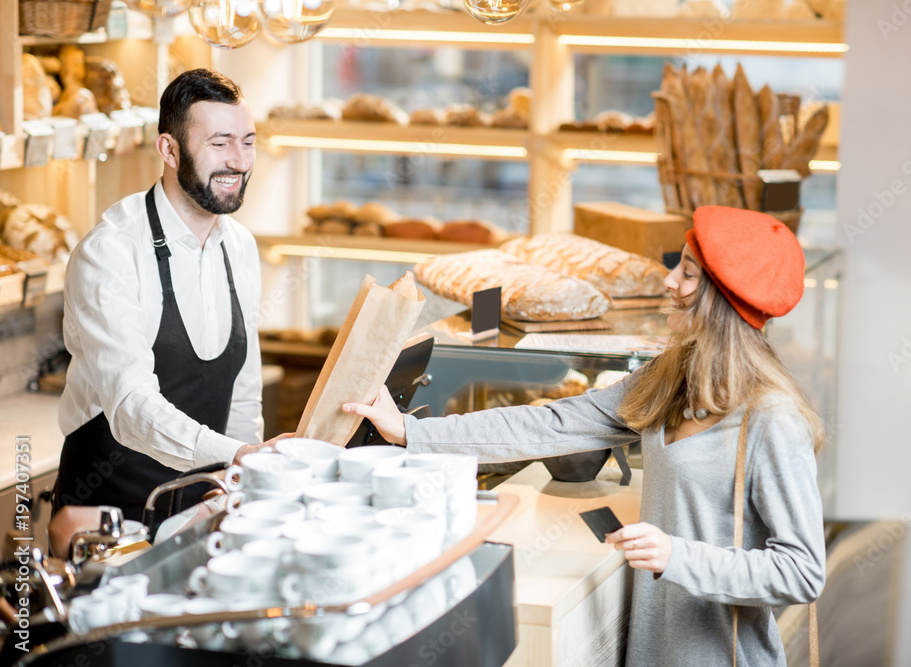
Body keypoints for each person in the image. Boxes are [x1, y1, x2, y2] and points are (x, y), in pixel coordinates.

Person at [344, 205, 826, 666]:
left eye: (688, 273)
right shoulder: (673, 374)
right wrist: (411, 431)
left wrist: (678, 555)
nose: (668, 281)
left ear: (722, 298)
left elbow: (803, 572)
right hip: (653, 647)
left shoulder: (772, 418)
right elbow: (554, 423)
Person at [53, 69, 283, 524]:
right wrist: (240, 454)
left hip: (199, 512)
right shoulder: (112, 252)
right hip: (107, 520)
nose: (239, 161)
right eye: (220, 143)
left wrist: (243, 487)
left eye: (248, 141)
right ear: (169, 149)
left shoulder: (240, 246)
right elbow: (131, 408)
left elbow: (241, 395)